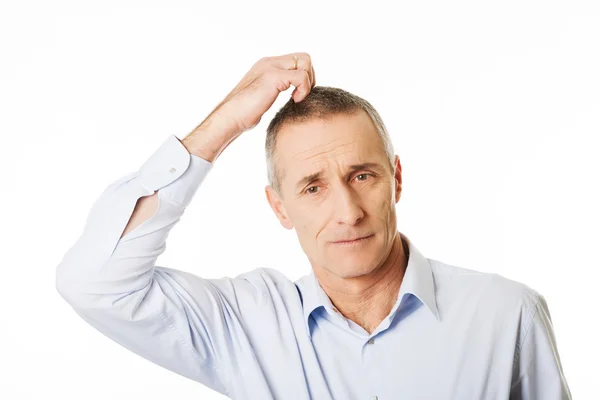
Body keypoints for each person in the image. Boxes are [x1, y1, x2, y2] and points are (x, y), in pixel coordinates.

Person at [55, 52, 572, 399]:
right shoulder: (250, 325)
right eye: (312, 187)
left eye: (362, 175)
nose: (347, 211)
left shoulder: (507, 315)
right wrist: (229, 119)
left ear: (395, 179)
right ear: (279, 208)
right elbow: (94, 282)